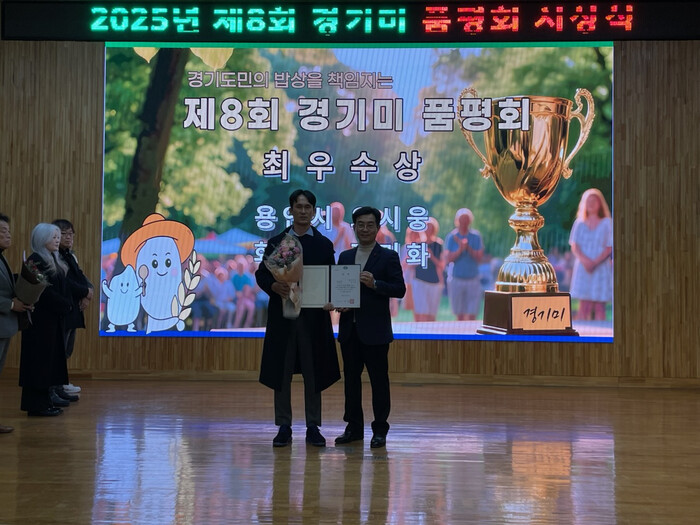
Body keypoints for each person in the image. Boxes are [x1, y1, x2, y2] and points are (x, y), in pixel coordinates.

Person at [255, 189, 340, 447]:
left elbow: (333, 279)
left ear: (314, 212)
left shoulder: (323, 245)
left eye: (307, 207)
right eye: (298, 206)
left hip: (314, 320)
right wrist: (273, 286)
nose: (303, 211)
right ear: (291, 210)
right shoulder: (279, 242)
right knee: (282, 372)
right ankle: (284, 426)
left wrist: (333, 297)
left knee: (314, 372)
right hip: (284, 318)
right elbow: (262, 274)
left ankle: (313, 426)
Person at [334, 206, 406, 449]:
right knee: (351, 382)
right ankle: (353, 428)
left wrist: (375, 284)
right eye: (360, 225)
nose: (365, 229)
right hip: (349, 331)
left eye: (370, 225)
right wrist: (336, 303)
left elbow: (399, 289)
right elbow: (339, 290)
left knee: (379, 382)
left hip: (375, 332)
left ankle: (380, 430)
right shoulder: (345, 257)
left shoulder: (388, 256)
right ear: (354, 227)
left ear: (377, 228)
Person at [19, 223, 73, 417]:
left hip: (52, 320)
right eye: (54, 237)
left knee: (48, 362)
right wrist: (65, 304)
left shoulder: (52, 259)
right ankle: (37, 405)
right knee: (38, 363)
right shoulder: (35, 260)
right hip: (40, 322)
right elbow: (44, 291)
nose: (58, 240)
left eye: (58, 237)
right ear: (42, 239)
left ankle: (45, 401)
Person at [0, 214, 33, 432]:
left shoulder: (2, 257)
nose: (8, 235)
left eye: (8, 231)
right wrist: (12, 305)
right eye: (3, 231)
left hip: (5, 327)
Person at [53, 219, 93, 400]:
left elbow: (80, 277)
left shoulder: (70, 255)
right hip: (63, 309)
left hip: (73, 310)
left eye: (71, 234)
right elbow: (66, 282)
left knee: (67, 349)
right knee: (59, 350)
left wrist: (88, 293)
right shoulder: (55, 257)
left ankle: (61, 382)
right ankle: (56, 386)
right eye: (63, 234)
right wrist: (85, 291)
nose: (68, 237)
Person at [569, 188, 613, 321]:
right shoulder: (579, 223)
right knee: (584, 305)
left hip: (601, 267)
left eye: (594, 201)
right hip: (583, 267)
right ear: (584, 203)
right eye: (588, 201)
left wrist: (595, 262)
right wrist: (586, 262)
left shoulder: (607, 223)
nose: (591, 204)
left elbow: (609, 246)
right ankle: (583, 331)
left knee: (600, 306)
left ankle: (601, 332)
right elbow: (575, 245)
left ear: (600, 203)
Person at [444, 208, 484, 321]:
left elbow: (479, 257)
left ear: (470, 221)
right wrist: (460, 249)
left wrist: (468, 248)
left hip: (473, 278)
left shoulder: (476, 236)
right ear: (457, 221)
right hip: (456, 278)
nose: (464, 223)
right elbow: (448, 259)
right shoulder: (452, 237)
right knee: (459, 313)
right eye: (462, 220)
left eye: (466, 220)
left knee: (472, 312)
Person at [412, 217, 444, 322]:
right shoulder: (417, 245)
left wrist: (431, 256)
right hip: (420, 281)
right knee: (422, 312)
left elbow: (442, 265)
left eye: (431, 228)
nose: (428, 230)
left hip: (434, 282)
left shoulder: (438, 245)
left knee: (431, 313)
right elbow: (411, 264)